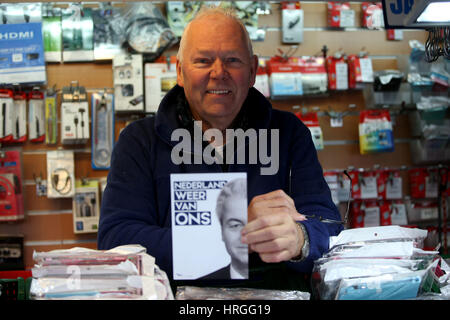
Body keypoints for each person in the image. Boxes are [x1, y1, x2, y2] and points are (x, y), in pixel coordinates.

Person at [98, 6, 343, 291]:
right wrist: (237, 230)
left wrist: (301, 238)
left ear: (252, 70)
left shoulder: (289, 134)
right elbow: (118, 242)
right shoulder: (139, 141)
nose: (219, 73)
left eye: (233, 60)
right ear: (180, 71)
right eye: (203, 61)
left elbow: (328, 226)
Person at [199, 178, 248, 280]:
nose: (246, 237)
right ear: (222, 231)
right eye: (235, 225)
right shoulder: (197, 286)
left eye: (253, 223)